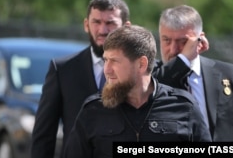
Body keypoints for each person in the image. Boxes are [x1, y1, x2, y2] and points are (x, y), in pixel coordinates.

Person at [63, 25, 212, 158]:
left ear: (141, 64)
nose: (106, 70)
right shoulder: (93, 110)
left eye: (114, 61)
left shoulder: (184, 107)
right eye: (105, 60)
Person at [31, 0, 131, 158]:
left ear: (126, 27)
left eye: (110, 23)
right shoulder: (62, 70)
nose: (102, 30)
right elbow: (44, 134)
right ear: (86, 24)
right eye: (96, 22)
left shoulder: (138, 70)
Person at [158, 4, 233, 141]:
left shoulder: (229, 74)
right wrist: (183, 59)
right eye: (166, 40)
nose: (173, 50)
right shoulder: (152, 76)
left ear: (200, 39)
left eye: (183, 41)